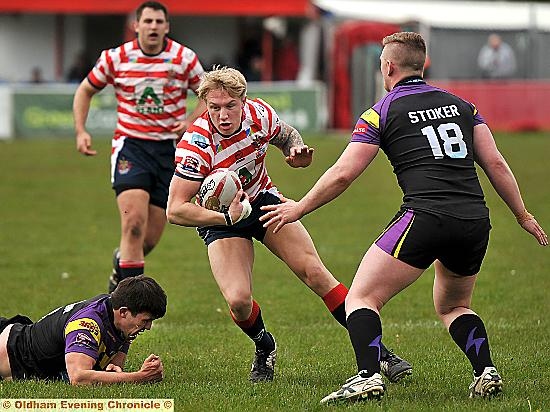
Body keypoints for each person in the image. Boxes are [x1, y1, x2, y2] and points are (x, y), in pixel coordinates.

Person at [260, 32, 548, 403]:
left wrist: (298, 207)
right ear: (422, 64)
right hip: (474, 220)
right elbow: (494, 162)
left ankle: (366, 377)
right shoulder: (462, 105)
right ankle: (485, 371)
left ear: (388, 66)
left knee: (361, 297)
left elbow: (345, 173)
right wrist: (522, 214)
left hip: (425, 216)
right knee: (454, 306)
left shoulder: (380, 111)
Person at [165, 66, 411, 384]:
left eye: (230, 106)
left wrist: (295, 151)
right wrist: (226, 218)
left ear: (243, 100)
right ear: (205, 105)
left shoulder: (260, 115)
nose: (222, 115)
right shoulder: (194, 146)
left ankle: (380, 354)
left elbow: (287, 135)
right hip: (221, 218)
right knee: (239, 301)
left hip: (264, 200)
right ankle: (264, 345)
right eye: (214, 107)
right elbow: (175, 209)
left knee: (317, 275)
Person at [73, 1, 206, 293]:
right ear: (136, 25)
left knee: (147, 239)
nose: (153, 27)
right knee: (132, 224)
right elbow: (85, 90)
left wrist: (189, 121)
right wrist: (81, 131)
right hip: (131, 147)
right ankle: (125, 306)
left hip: (170, 151)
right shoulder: (116, 58)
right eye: (148, 21)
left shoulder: (183, 58)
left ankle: (121, 266)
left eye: (159, 22)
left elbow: (207, 93)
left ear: (167, 27)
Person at [0, 275, 167, 384]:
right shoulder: (87, 324)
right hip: (11, 351)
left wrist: (115, 372)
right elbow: (79, 378)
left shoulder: (118, 318)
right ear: (123, 312)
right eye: (146, 320)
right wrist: (140, 377)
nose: (148, 327)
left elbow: (112, 367)